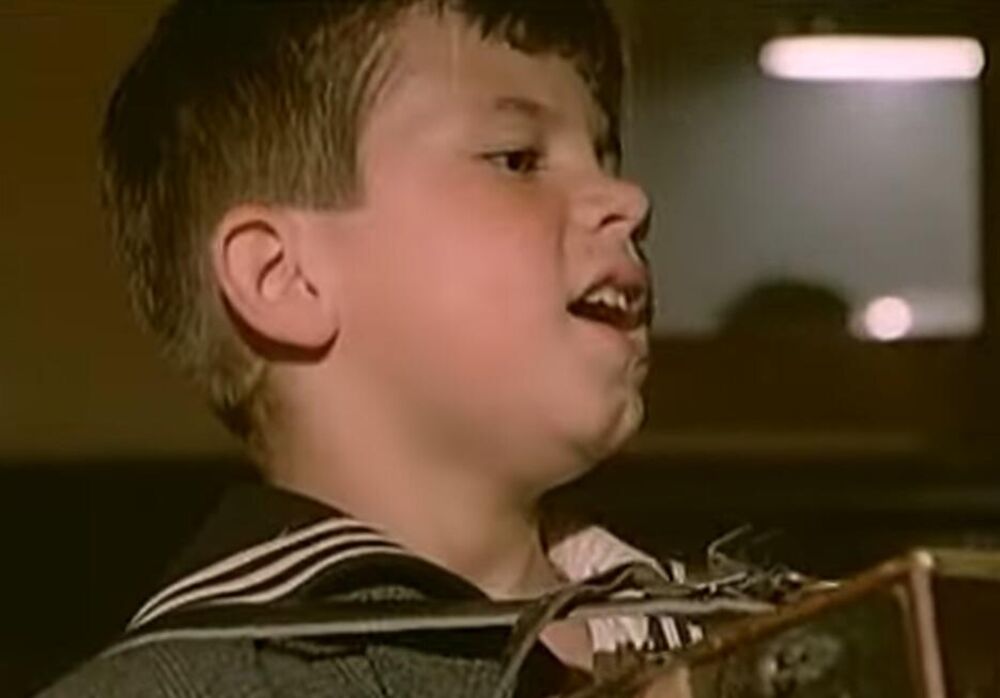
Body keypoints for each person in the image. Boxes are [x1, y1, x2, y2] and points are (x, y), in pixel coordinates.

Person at [39, 1, 700, 695]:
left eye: (605, 157)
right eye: (517, 159)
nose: (628, 199)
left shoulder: (741, 641)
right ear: (283, 278)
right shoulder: (174, 684)